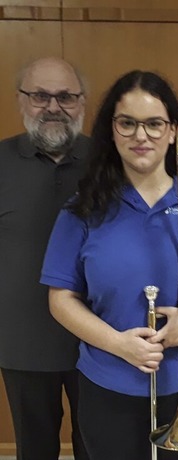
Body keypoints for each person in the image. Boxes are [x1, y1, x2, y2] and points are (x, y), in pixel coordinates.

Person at [39, 70, 178, 460]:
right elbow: (60, 297)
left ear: (173, 131)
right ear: (112, 131)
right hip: (109, 381)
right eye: (127, 123)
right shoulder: (83, 209)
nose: (140, 136)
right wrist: (118, 344)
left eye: (153, 124)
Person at [0, 57, 89, 460]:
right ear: (21, 101)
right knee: (34, 450)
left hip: (100, 341)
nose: (53, 107)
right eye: (40, 96)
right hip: (21, 343)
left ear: (82, 102)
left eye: (66, 96)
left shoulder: (111, 162)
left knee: (100, 447)